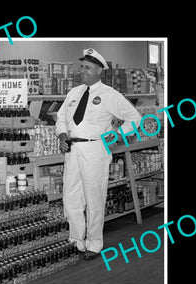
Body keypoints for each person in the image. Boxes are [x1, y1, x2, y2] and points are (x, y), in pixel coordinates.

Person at [55, 48, 142, 260]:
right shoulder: (74, 93)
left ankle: (94, 242)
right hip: (73, 150)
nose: (82, 71)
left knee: (94, 198)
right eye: (82, 66)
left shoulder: (109, 95)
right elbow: (61, 117)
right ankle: (76, 240)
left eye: (87, 68)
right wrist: (62, 135)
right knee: (71, 197)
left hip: (95, 150)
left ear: (99, 71)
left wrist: (116, 136)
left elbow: (134, 118)